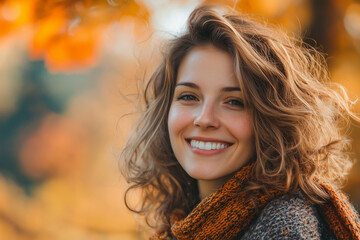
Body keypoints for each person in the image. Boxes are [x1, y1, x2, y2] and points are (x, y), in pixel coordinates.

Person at [120, 4, 360, 240]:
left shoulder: (285, 227)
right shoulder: (184, 224)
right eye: (189, 97)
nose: (204, 119)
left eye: (234, 102)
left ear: (270, 118)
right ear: (166, 111)